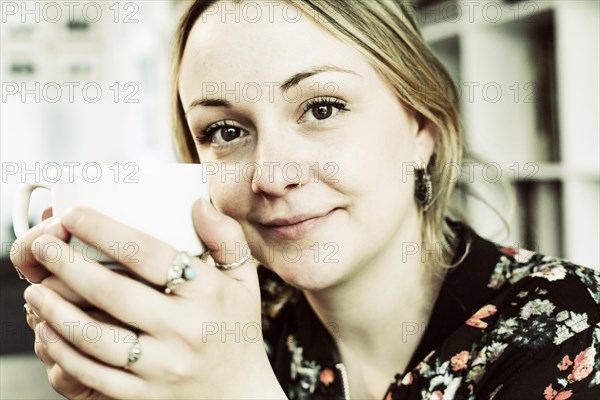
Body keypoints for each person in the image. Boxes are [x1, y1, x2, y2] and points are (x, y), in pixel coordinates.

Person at [10, 0, 600, 399]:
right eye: (226, 131)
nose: (271, 175)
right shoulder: (228, 321)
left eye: (322, 109)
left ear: (423, 128)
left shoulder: (572, 328)